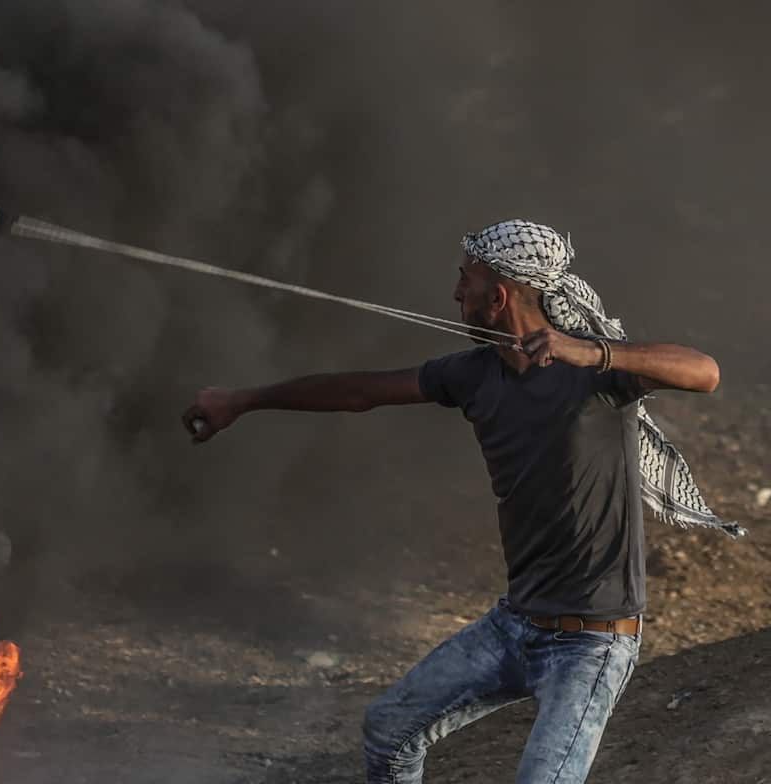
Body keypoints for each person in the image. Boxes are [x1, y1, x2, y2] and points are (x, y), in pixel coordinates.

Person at [182, 220, 732, 783]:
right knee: (389, 731)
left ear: (497, 298)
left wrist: (590, 352)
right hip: (515, 626)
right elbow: (358, 393)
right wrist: (243, 400)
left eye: (464, 282)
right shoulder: (471, 375)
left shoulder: (595, 376)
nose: (454, 295)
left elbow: (705, 372)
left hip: (592, 645)